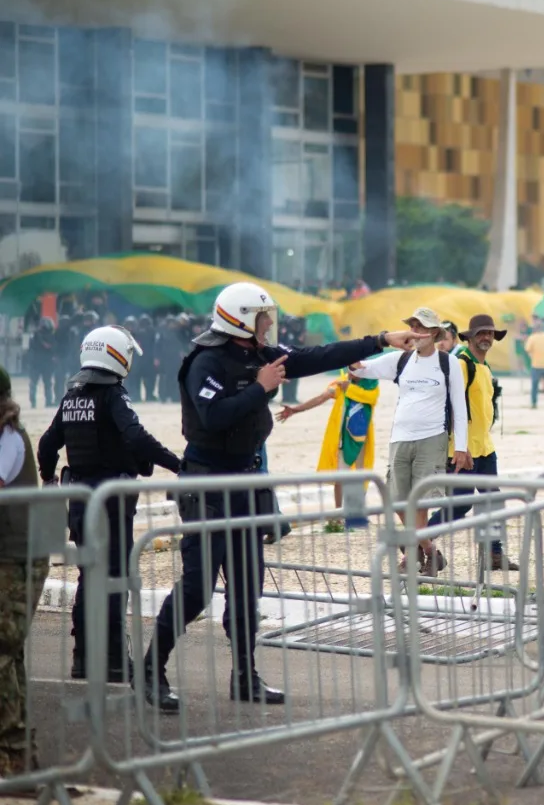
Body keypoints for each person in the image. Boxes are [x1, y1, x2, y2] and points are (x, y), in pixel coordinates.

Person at [139, 283, 425, 712]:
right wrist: (259, 387)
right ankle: (150, 671)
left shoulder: (259, 354)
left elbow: (318, 356)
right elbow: (212, 417)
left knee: (246, 585)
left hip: (249, 484)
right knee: (197, 588)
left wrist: (382, 339)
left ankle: (244, 676)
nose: (269, 323)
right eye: (262, 317)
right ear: (240, 319)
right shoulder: (206, 361)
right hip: (208, 483)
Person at [37, 326, 182, 683]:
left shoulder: (72, 395)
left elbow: (46, 444)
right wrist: (178, 465)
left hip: (80, 501)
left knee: (90, 574)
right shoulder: (113, 394)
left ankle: (83, 658)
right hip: (113, 502)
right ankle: (116, 659)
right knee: (116, 575)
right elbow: (135, 436)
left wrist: (48, 477)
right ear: (117, 354)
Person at [350, 307, 469, 573]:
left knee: (421, 503)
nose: (417, 331)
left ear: (435, 332)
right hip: (399, 438)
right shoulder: (400, 360)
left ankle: (411, 556)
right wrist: (357, 351)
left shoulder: (448, 362)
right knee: (397, 501)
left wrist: (460, 446)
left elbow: (459, 407)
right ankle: (428, 550)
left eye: (423, 327)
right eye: (413, 326)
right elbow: (361, 369)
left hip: (432, 439)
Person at [424, 314, 517, 571]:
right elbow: (450, 403)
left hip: (485, 447)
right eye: (481, 334)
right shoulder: (462, 363)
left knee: (492, 501)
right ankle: (420, 541)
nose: (486, 337)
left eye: (490, 333)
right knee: (461, 502)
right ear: (470, 337)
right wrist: (457, 447)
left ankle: (494, 554)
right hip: (462, 449)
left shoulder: (483, 366)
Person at [0, 366, 46, 779]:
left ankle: (13, 759)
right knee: (7, 655)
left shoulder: (7, 438)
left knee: (2, 652)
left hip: (15, 562)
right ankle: (18, 757)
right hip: (12, 559)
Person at [276, 369, 380, 522]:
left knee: (361, 474)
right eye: (350, 369)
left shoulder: (371, 385)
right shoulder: (341, 383)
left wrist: (349, 389)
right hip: (341, 436)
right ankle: (338, 514)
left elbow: (371, 398)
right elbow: (322, 397)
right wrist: (296, 410)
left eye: (356, 370)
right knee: (340, 475)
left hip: (361, 437)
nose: (351, 373)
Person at [27, 319, 57, 409]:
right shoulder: (38, 336)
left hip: (40, 363)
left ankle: (36, 402)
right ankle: (44, 402)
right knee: (44, 384)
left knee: (37, 384)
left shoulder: (36, 335)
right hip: (41, 363)